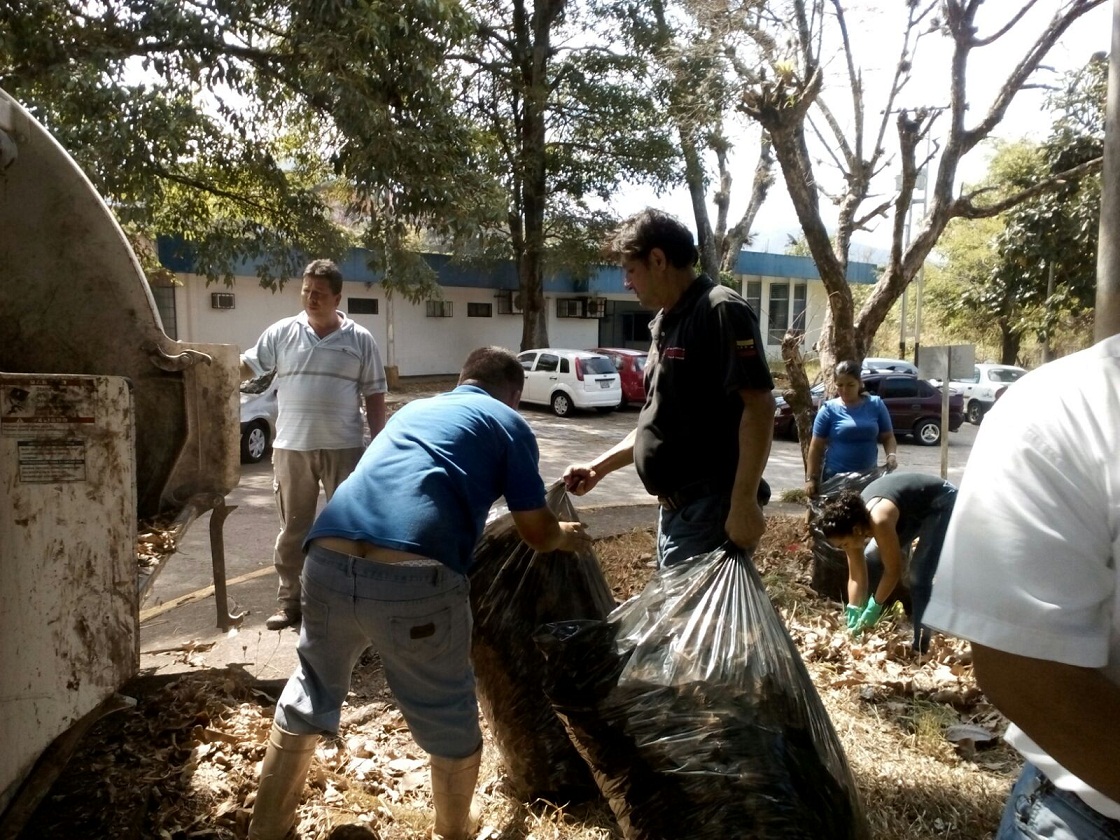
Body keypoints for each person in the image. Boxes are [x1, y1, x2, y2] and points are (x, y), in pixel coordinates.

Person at [247, 346, 590, 840]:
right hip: (413, 576)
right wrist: (564, 535)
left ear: (462, 377)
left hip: (323, 561)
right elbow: (535, 532)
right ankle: (452, 831)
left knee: (310, 691)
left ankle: (267, 826)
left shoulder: (416, 409)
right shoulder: (508, 423)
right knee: (447, 710)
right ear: (513, 394)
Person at [924, 337, 1120, 839]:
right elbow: (1024, 674)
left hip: (931, 520)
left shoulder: (887, 513)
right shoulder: (1076, 406)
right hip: (1093, 815)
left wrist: (880, 600)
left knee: (918, 583)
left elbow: (886, 561)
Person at [562, 208, 775, 568]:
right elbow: (660, 423)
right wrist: (598, 468)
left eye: (631, 270)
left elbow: (760, 406)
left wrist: (743, 505)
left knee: (695, 624)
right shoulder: (666, 322)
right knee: (679, 623)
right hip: (676, 514)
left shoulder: (719, 309)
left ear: (658, 259)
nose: (627, 282)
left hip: (711, 511)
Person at [240, 258, 388, 631]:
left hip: (345, 448)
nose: (311, 298)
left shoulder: (360, 339)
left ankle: (347, 602)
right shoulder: (282, 333)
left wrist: (379, 444)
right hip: (292, 448)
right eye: (306, 291)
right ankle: (291, 602)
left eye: (320, 293)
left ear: (338, 297)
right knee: (294, 529)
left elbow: (374, 394)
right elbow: (248, 366)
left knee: (350, 529)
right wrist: (210, 368)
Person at [816, 471, 956, 650]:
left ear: (857, 530)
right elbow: (856, 577)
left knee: (919, 577)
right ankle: (869, 620)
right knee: (871, 558)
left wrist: (874, 607)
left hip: (942, 502)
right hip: (910, 511)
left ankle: (922, 644)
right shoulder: (852, 524)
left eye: (844, 544)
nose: (845, 549)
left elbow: (893, 571)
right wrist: (853, 610)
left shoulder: (879, 519)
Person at [804, 359, 898, 496]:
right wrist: (810, 479)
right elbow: (816, 446)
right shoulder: (828, 409)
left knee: (865, 516)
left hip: (868, 477)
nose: (844, 390)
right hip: (835, 477)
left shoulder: (876, 405)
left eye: (850, 385)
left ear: (860, 383)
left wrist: (891, 455)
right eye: (840, 385)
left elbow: (888, 436)